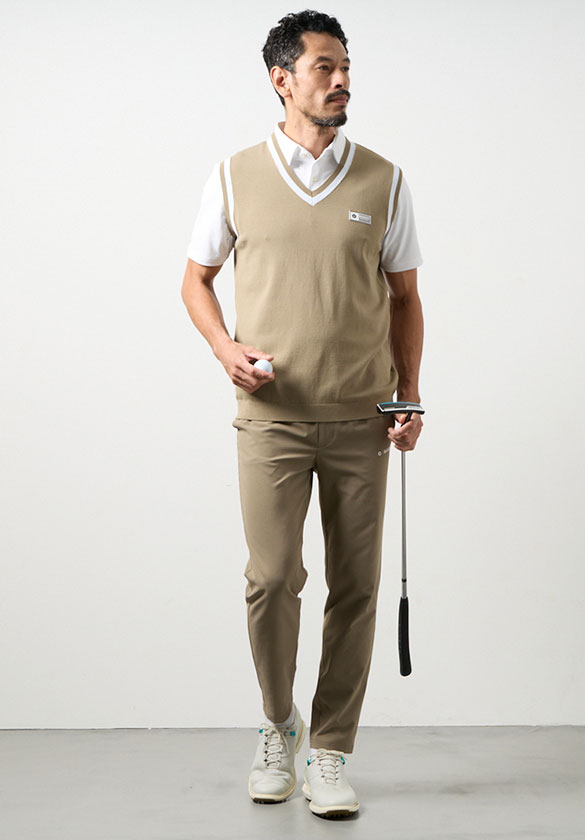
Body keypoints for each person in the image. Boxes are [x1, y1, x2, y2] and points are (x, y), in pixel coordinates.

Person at [181, 9, 424, 819]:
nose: (342, 79)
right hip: (272, 418)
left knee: (355, 586)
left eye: (346, 65)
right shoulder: (233, 176)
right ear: (282, 79)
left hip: (362, 420)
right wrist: (225, 348)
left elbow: (405, 299)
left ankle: (330, 749)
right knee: (272, 578)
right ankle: (278, 724)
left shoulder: (385, 180)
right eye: (325, 66)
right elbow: (195, 280)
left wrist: (409, 395)